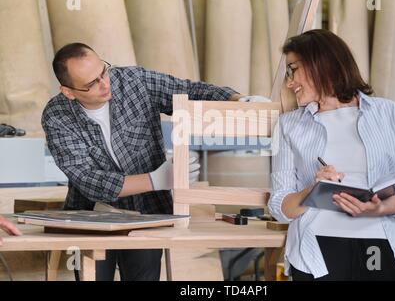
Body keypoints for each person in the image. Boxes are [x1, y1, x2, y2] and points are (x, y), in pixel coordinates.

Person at [42, 43, 268, 281]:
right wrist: (156, 179)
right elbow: (88, 180)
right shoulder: (57, 116)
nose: (104, 84)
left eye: (103, 71)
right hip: (89, 217)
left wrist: (240, 101)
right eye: (91, 84)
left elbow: (189, 91)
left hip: (147, 213)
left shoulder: (134, 82)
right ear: (68, 91)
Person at [268, 29, 395, 281]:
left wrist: (379, 208)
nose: (288, 82)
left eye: (292, 70)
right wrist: (313, 190)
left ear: (321, 64)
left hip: (379, 245)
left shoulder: (390, 114)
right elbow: (280, 207)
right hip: (317, 249)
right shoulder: (288, 125)